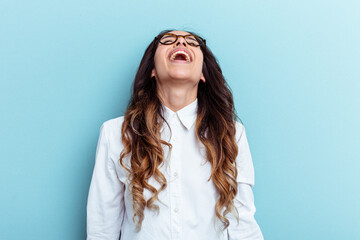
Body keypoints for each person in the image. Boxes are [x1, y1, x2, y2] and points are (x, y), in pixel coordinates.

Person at [86, 29, 264, 240]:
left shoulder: (231, 134)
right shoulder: (116, 133)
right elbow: (102, 228)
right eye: (168, 40)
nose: (181, 42)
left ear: (203, 75)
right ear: (152, 70)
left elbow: (242, 223)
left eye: (192, 42)